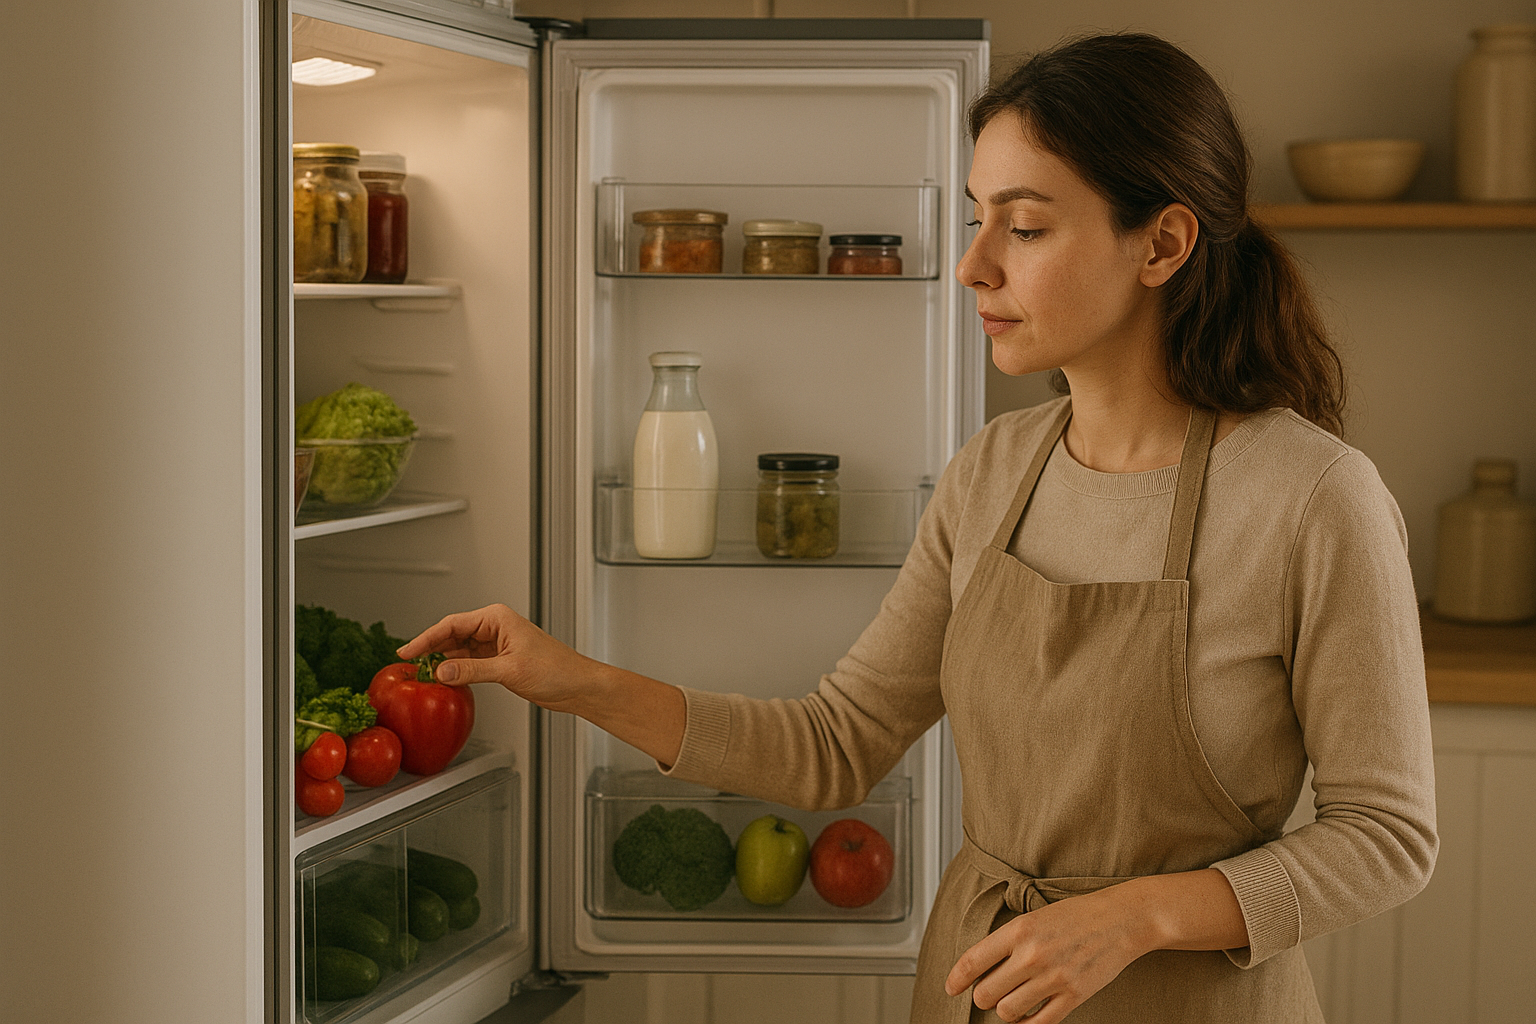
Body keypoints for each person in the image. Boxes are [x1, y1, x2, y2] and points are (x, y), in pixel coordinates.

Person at [399, 33, 1437, 1023]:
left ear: (1161, 243)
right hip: (975, 989)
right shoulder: (993, 471)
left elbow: (1387, 835)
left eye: (1024, 227)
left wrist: (1140, 913)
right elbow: (834, 743)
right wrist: (568, 675)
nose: (973, 265)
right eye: (977, 218)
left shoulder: (1313, 498)